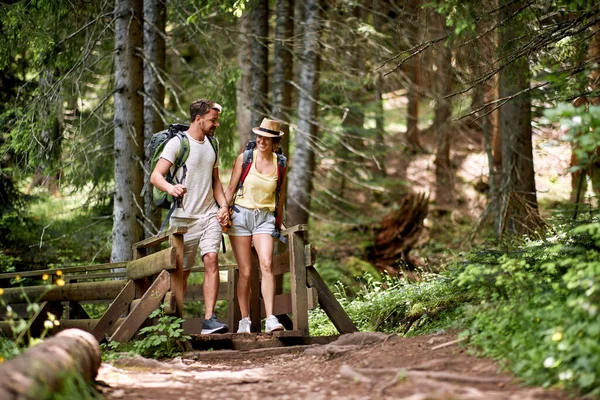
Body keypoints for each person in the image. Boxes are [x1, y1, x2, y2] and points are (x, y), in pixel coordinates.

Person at [150, 99, 230, 334]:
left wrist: (223, 206)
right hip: (183, 221)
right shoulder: (178, 144)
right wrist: (171, 188)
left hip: (209, 216)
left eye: (217, 120)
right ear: (198, 119)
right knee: (181, 274)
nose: (216, 124)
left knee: (211, 259)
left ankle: (209, 320)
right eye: (212, 120)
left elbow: (216, 181)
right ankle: (174, 323)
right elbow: (156, 176)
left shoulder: (213, 144)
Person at [224, 118, 287, 334]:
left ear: (274, 141)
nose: (261, 140)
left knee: (267, 264)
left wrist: (278, 223)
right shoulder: (245, 158)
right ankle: (245, 320)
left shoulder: (280, 163)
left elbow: (280, 195)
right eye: (259, 136)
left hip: (265, 219)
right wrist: (223, 210)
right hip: (241, 217)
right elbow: (231, 188)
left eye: (266, 138)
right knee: (246, 272)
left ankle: (270, 318)